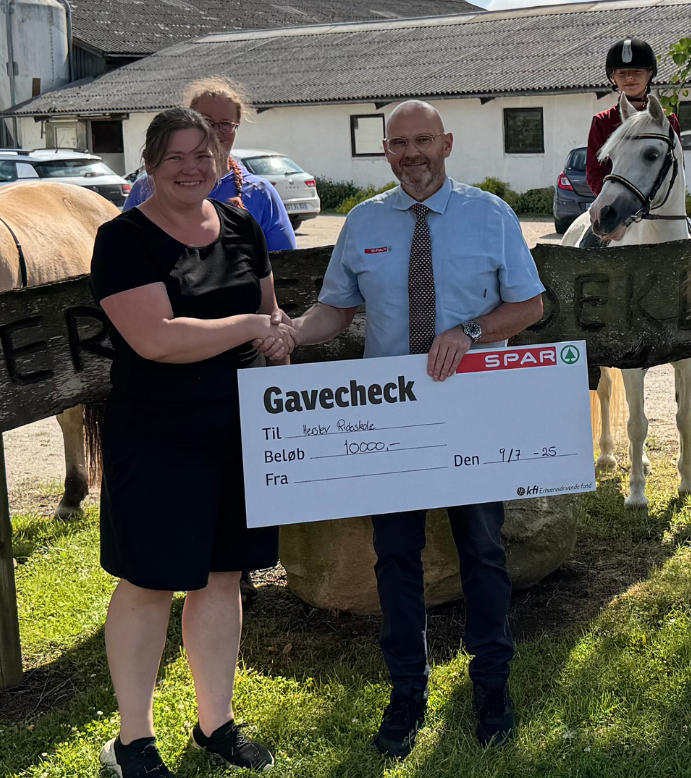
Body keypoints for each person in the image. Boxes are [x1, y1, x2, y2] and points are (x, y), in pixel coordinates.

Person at [288, 100, 546, 757]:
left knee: (483, 552)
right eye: (399, 143)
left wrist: (471, 331)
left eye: (423, 139)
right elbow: (335, 311)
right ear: (387, 152)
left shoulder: (491, 216)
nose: (412, 153)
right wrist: (290, 333)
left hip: (472, 412)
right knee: (395, 558)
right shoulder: (364, 222)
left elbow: (531, 304)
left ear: (447, 143)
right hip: (390, 419)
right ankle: (407, 694)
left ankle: (494, 689)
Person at [91, 107, 297, 778]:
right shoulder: (122, 239)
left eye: (203, 154)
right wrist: (249, 325)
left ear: (221, 158)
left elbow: (269, 314)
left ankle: (216, 724)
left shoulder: (240, 225)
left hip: (238, 430)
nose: (191, 167)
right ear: (150, 164)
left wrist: (279, 339)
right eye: (175, 156)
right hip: (158, 436)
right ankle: (132, 742)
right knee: (149, 582)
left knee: (223, 576)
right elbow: (157, 338)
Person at [122, 77, 297, 253]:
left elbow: (287, 266)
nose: (214, 131)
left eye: (226, 124)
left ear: (237, 127)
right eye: (206, 121)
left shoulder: (260, 193)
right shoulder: (147, 188)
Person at [584, 37, 686, 230]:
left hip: (659, 207)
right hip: (616, 206)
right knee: (586, 246)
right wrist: (611, 201)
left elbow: (676, 167)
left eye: (637, 72)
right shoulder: (602, 121)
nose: (629, 78)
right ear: (613, 78)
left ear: (650, 74)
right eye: (622, 73)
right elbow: (595, 171)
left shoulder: (669, 121)